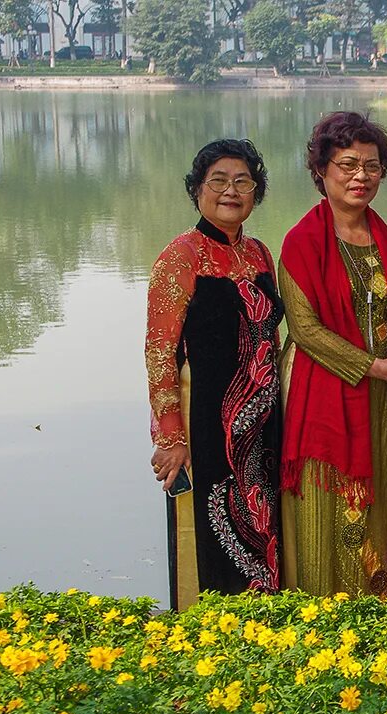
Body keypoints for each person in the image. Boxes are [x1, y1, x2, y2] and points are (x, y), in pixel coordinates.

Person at [278, 112, 387, 597]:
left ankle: (374, 626)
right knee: (324, 511)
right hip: (321, 393)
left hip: (380, 401)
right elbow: (305, 331)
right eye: (347, 165)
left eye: (371, 166)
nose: (360, 177)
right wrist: (374, 366)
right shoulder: (301, 242)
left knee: (374, 511)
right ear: (321, 170)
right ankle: (319, 628)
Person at [145, 139, 282, 610]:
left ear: (256, 192)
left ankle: (261, 636)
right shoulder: (181, 255)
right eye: (218, 181)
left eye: (243, 181)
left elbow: (270, 339)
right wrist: (170, 438)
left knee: (264, 532)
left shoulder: (261, 253)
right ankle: (206, 639)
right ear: (197, 190)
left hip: (263, 429)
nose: (231, 190)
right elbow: (160, 352)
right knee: (210, 533)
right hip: (207, 424)